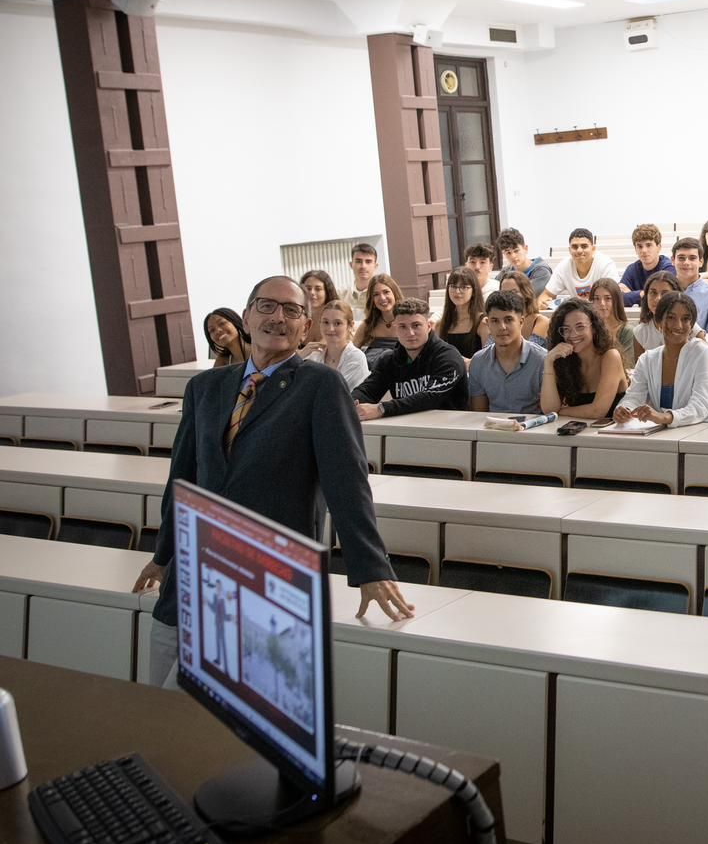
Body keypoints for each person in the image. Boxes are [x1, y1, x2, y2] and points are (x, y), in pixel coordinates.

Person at [134, 275, 412, 689]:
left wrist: (370, 567)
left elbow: (346, 481)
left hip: (266, 575)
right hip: (193, 571)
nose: (278, 317)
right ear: (246, 317)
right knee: (156, 700)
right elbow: (183, 479)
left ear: (305, 326)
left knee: (194, 704)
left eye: (292, 311)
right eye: (266, 306)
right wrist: (162, 555)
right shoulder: (205, 388)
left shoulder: (320, 386)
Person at [616, 290, 708, 428]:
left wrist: (666, 417)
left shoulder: (701, 352)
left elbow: (702, 405)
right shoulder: (647, 360)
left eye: (685, 319)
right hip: (663, 436)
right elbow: (634, 396)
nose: (678, 325)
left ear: (692, 325)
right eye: (671, 317)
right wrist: (625, 409)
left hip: (699, 432)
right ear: (658, 322)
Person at [353, 298, 468, 418]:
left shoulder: (448, 357)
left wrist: (381, 409)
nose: (410, 333)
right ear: (395, 328)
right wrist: (350, 403)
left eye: (416, 325)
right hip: (407, 429)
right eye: (402, 327)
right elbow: (367, 391)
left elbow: (430, 397)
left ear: (428, 326)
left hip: (450, 430)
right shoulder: (389, 360)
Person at [540, 298, 626, 419]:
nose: (573, 334)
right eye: (566, 329)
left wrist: (560, 411)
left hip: (613, 435)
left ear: (594, 328)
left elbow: (597, 411)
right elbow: (549, 409)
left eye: (580, 327)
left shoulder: (611, 356)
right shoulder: (565, 360)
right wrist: (549, 362)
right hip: (578, 434)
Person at [467, 289, 547, 413]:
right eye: (495, 321)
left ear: (521, 322)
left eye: (508, 320)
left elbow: (549, 412)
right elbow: (479, 414)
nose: (502, 327)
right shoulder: (478, 361)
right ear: (487, 323)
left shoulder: (542, 360)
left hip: (533, 429)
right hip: (491, 429)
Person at [301, 299, 370, 390]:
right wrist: (299, 357)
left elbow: (336, 393)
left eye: (337, 323)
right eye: (326, 322)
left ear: (350, 326)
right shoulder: (313, 355)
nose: (331, 329)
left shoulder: (356, 358)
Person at [540, 227, 619, 307]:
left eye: (584, 246)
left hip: (601, 312)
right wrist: (543, 303)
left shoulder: (606, 264)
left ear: (593, 249)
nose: (579, 251)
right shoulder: (563, 266)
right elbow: (546, 295)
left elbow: (614, 298)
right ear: (569, 250)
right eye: (575, 247)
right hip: (577, 314)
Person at [672, 236, 708, 335]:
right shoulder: (663, 291)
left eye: (692, 258)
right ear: (673, 260)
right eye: (681, 258)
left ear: (701, 262)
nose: (686, 262)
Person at [354, 272, 404, 366]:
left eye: (386, 292)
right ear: (372, 300)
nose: (382, 298)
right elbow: (351, 353)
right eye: (376, 294)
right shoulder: (367, 325)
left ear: (395, 293)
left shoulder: (407, 322)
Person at [619, 223, 675, 306]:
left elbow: (663, 299)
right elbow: (619, 298)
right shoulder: (631, 269)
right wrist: (642, 294)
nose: (644, 250)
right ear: (635, 249)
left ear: (659, 247)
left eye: (649, 245)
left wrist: (634, 295)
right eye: (640, 246)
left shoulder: (668, 268)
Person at [438, 266, 486, 361]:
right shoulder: (440, 325)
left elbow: (488, 359)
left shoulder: (483, 323)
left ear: (473, 291)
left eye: (463, 287)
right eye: (453, 286)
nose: (457, 291)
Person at [589, 277, 638, 368]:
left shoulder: (627, 331)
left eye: (607, 298)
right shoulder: (589, 329)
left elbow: (628, 365)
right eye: (597, 299)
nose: (602, 303)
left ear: (616, 301)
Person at [496, 228, 553, 300]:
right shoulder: (505, 272)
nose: (513, 256)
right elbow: (495, 293)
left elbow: (525, 297)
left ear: (525, 248)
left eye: (516, 251)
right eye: (508, 253)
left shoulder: (542, 271)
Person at [498, 269, 552, 345]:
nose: (508, 296)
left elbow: (529, 352)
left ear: (526, 294)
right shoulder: (497, 321)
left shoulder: (541, 321)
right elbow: (487, 351)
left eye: (514, 292)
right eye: (504, 292)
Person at [343, 242, 378, 315]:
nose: (363, 266)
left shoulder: (382, 294)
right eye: (358, 261)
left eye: (368, 261)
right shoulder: (341, 294)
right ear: (351, 265)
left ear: (375, 266)